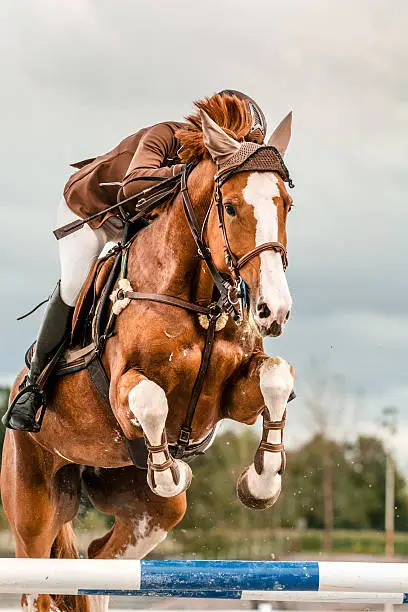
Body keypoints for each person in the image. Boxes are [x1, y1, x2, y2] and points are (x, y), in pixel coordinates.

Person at [5, 90, 267, 432]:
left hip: (137, 218)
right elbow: (134, 185)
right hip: (92, 210)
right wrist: (188, 175)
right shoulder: (166, 136)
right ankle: (35, 386)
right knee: (74, 283)